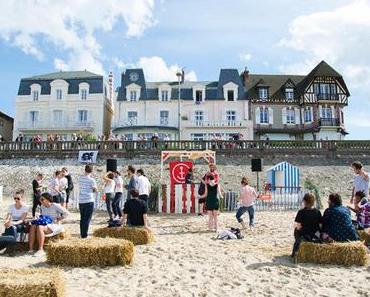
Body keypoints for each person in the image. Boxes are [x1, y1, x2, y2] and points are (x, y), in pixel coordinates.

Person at [291, 193, 322, 257]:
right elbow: (320, 225)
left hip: (304, 234)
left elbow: (298, 226)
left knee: (296, 228)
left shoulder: (301, 212)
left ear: (304, 201)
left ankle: (298, 243)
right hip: (314, 235)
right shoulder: (317, 212)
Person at [78, 165, 97, 238]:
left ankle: (82, 233)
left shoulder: (80, 178)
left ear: (85, 169)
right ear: (91, 171)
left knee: (82, 218)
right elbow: (95, 190)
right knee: (87, 219)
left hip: (81, 200)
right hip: (89, 200)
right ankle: (84, 235)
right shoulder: (92, 180)